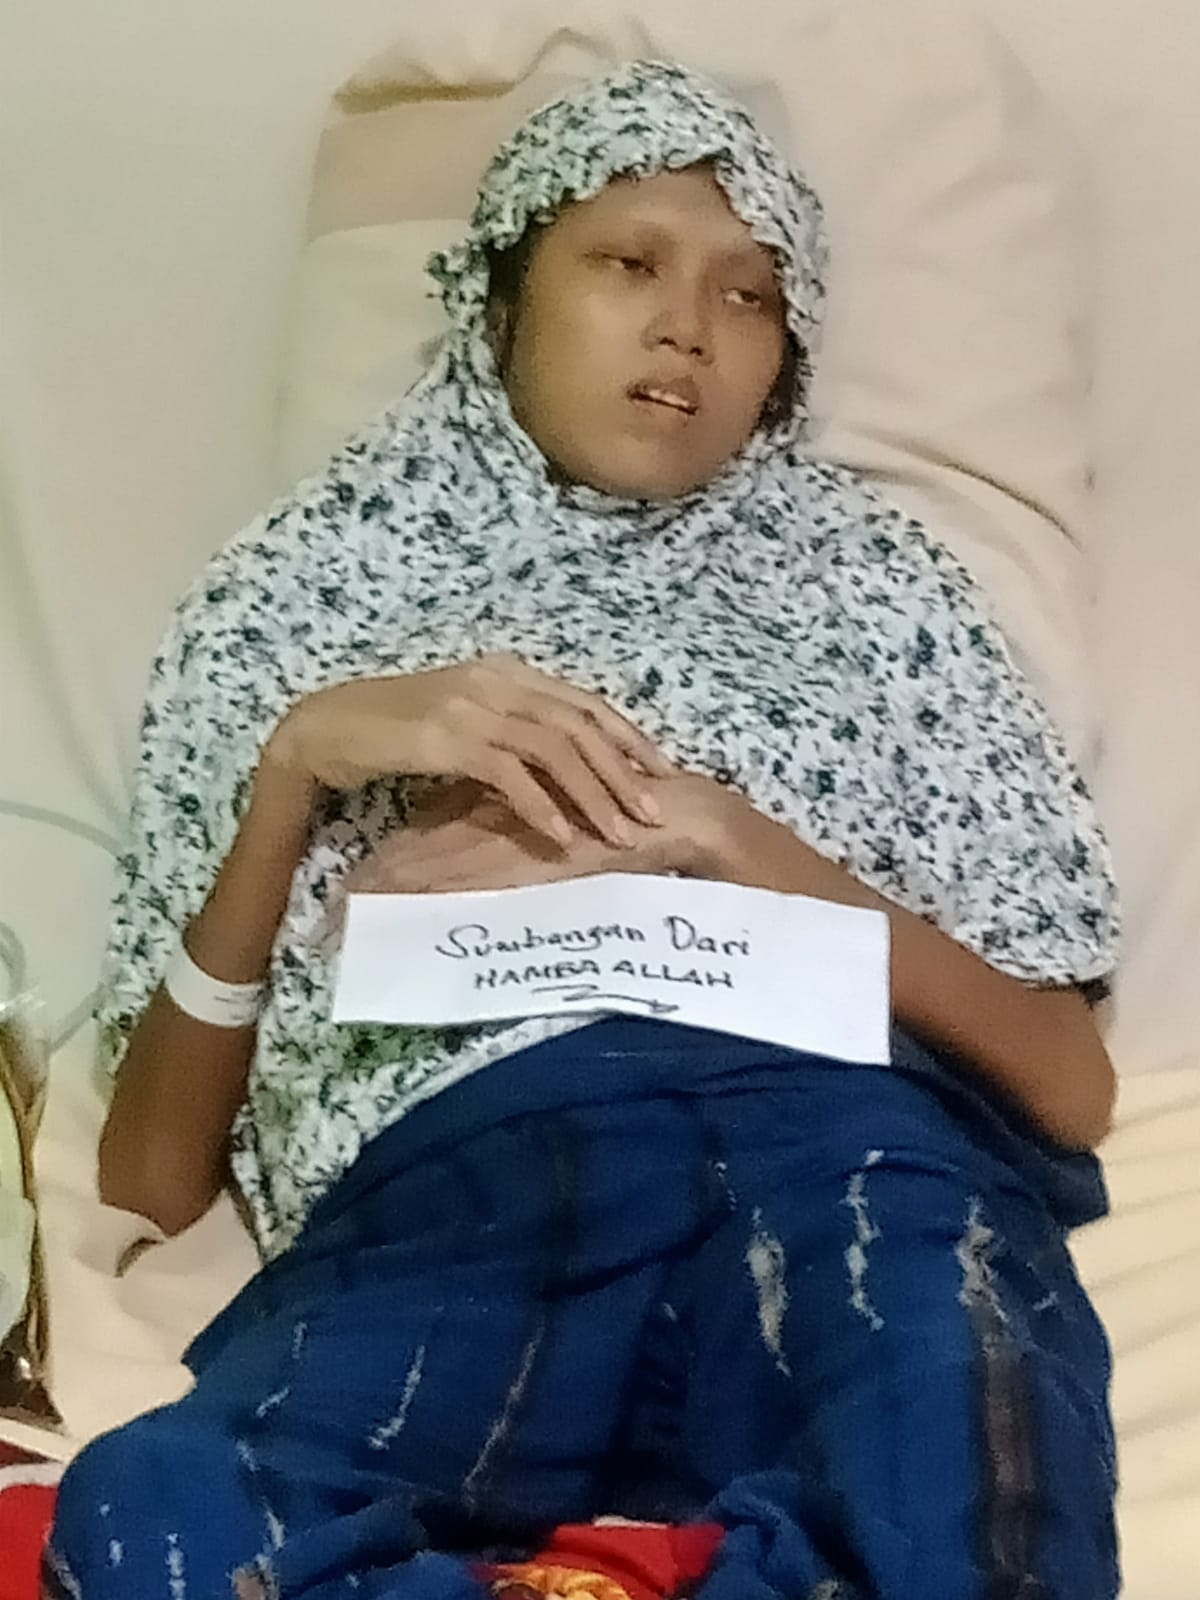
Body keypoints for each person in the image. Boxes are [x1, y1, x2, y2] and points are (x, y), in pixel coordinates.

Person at [46, 62, 1121, 1600]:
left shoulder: (890, 594)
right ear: (502, 295)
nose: (689, 327)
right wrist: (296, 769)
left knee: (982, 1512)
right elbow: (154, 1175)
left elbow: (1067, 1081)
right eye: (627, 263)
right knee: (155, 1527)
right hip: (468, 1185)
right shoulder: (296, 593)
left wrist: (725, 840)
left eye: (750, 295)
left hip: (849, 1146)